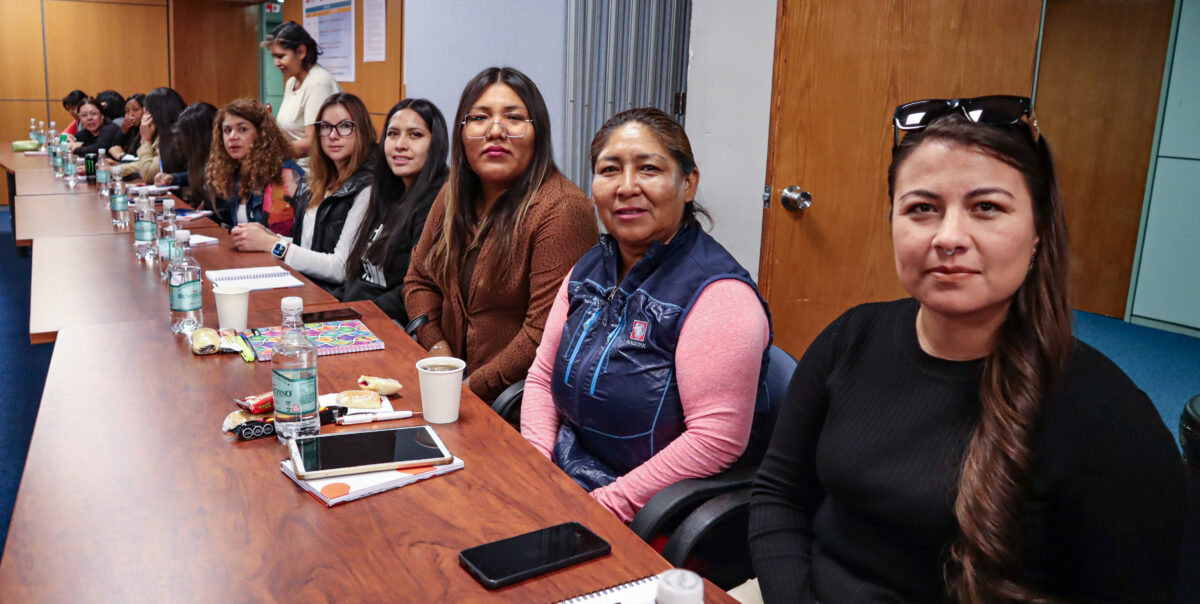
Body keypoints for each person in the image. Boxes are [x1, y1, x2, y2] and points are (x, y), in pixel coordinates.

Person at [748, 98, 1187, 603]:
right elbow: (779, 495)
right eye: (922, 209)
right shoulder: (851, 338)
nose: (949, 237)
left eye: (986, 208)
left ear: (1039, 230)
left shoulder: (1110, 420)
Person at [520, 108, 773, 522]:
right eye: (609, 170)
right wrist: (533, 467)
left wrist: (604, 506)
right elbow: (541, 376)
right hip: (565, 478)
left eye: (649, 169)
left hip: (646, 512)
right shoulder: (587, 268)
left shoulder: (719, 295)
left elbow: (716, 440)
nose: (626, 187)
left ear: (688, 183)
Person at [403, 66, 598, 402]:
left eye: (514, 117)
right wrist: (438, 351)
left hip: (515, 407)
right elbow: (418, 281)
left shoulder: (562, 208)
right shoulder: (452, 194)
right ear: (462, 133)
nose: (496, 131)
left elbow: (543, 333)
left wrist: (468, 390)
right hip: (449, 386)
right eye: (479, 118)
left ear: (538, 132)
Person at [230, 93, 376, 292]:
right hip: (304, 286)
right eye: (325, 127)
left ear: (362, 132)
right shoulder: (317, 181)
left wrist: (273, 244)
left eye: (344, 126)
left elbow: (340, 268)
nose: (333, 135)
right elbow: (308, 247)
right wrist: (268, 237)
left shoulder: (367, 188)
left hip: (333, 298)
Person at [338, 98, 449, 322]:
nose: (400, 144)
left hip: (391, 326)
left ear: (435, 144)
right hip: (358, 317)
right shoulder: (388, 192)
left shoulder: (440, 202)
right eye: (393, 134)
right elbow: (357, 276)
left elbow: (416, 290)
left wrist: (358, 317)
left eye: (415, 135)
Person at [206, 98, 303, 230]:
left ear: (261, 135)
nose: (232, 137)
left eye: (242, 129)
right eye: (227, 130)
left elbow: (280, 237)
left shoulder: (284, 173)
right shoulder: (235, 170)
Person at [264, 21, 341, 165]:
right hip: (294, 169)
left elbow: (315, 142)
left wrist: (270, 153)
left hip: (314, 174)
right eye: (273, 57)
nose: (276, 63)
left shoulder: (318, 83)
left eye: (280, 56)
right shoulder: (291, 82)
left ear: (301, 52)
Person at [112, 87, 186, 181]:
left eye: (146, 111)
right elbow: (142, 164)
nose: (144, 117)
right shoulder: (162, 132)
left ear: (156, 113)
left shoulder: (176, 136)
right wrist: (110, 171)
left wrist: (146, 140)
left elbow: (148, 174)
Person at [154, 102, 217, 209]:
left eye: (182, 133)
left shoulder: (221, 164)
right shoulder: (203, 160)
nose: (178, 140)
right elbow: (203, 174)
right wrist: (174, 178)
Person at [109, 93, 144, 160]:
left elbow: (140, 162)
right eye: (127, 111)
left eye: (135, 110)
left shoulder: (149, 131)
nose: (130, 115)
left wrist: (121, 158)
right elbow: (114, 149)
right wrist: (123, 132)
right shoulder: (130, 129)